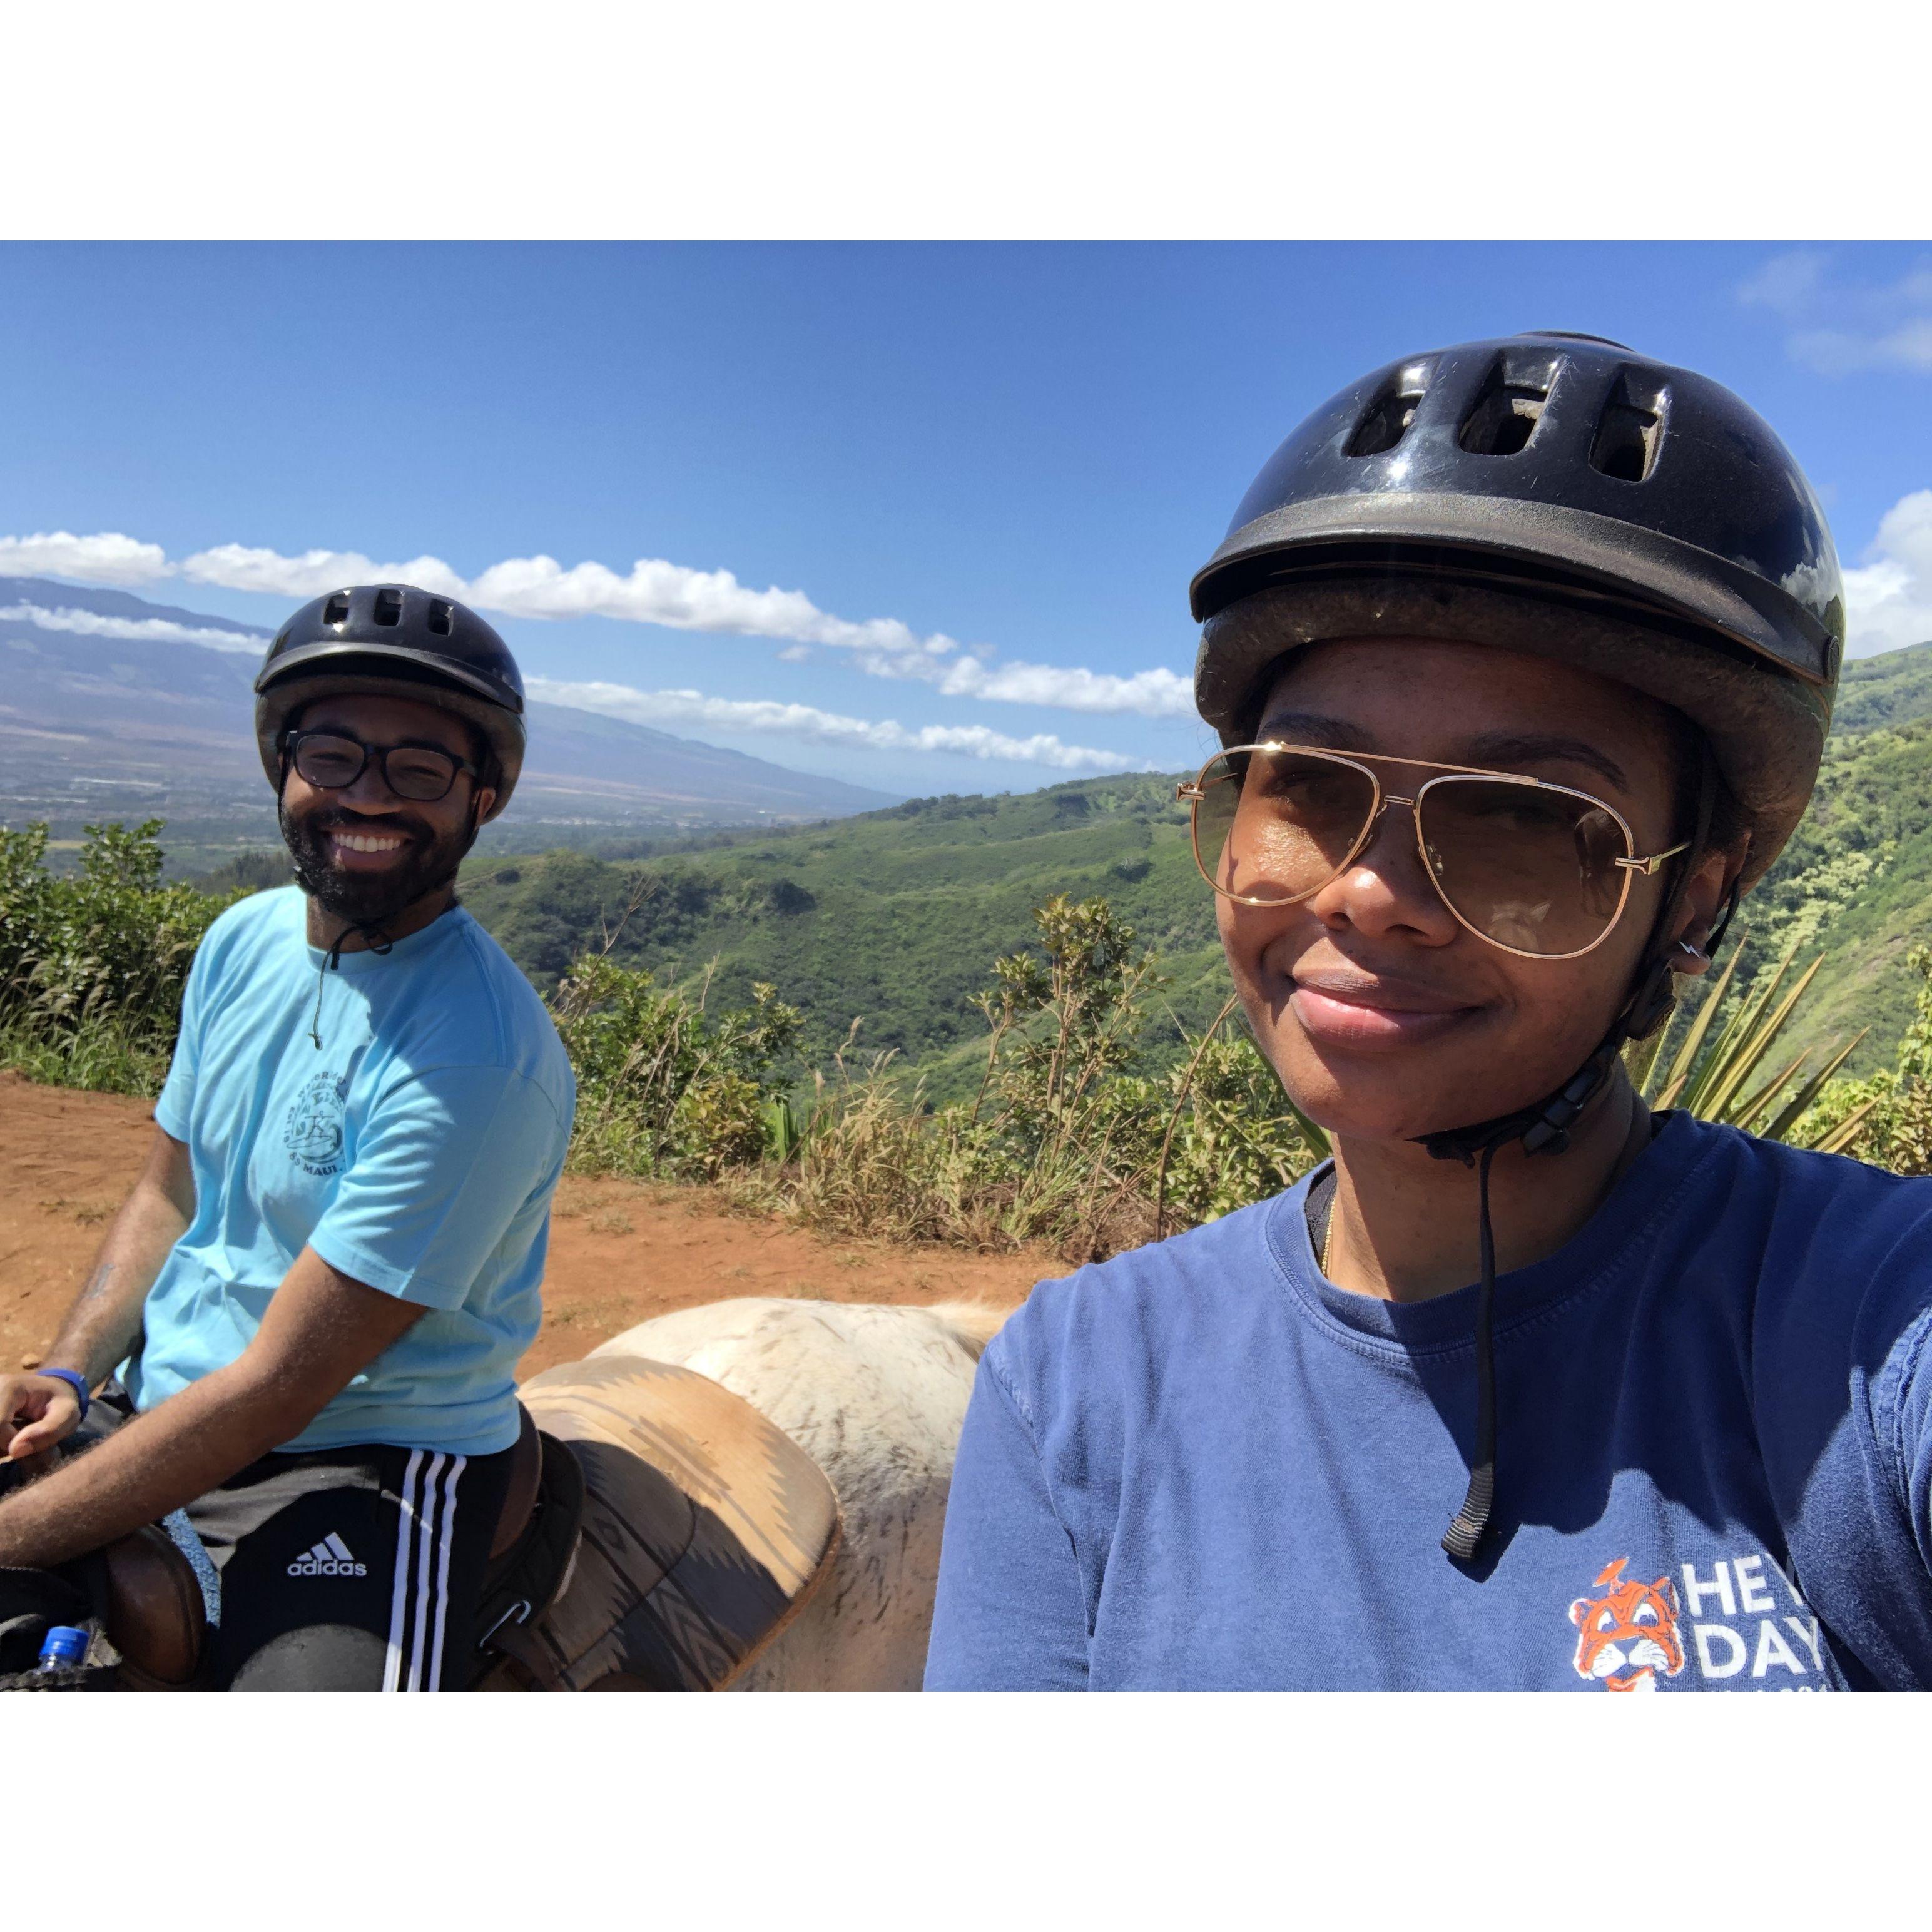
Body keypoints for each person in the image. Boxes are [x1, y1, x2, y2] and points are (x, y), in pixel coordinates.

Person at [925, 332, 1932, 1691]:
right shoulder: (1077, 1390)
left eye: (1524, 819)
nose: (1365, 892)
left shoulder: (1865, 1331)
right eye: (1306, 787)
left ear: (1685, 903)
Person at [0, 584, 575, 1689]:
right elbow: (169, 1192)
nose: (368, 796)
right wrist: (73, 1368)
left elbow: (279, 1387)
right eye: (336, 753)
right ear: (284, 765)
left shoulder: (477, 1058)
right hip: (162, 1397)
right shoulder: (240, 940)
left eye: (420, 770)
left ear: (484, 799)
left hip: (363, 1463)